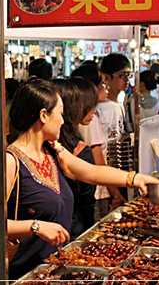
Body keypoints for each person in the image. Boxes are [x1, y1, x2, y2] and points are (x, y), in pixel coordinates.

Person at [0, 79, 159, 279]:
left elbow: (91, 172)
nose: (63, 120)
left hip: (54, 268)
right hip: (26, 273)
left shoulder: (52, 150)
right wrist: (36, 226)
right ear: (44, 115)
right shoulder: (10, 162)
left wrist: (134, 178)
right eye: (60, 114)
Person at [71, 64, 125, 218]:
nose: (105, 86)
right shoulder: (90, 120)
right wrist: (115, 193)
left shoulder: (85, 116)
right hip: (97, 190)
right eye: (102, 83)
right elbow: (98, 162)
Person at [51, 78, 96, 238]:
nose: (94, 111)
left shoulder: (52, 149)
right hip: (72, 231)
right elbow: (87, 200)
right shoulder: (77, 151)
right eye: (89, 106)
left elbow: (93, 174)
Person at [96, 53, 132, 211]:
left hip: (114, 179)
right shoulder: (102, 109)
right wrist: (115, 192)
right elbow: (101, 154)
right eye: (122, 75)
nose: (127, 80)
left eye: (128, 75)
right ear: (106, 77)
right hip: (104, 186)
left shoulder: (117, 105)